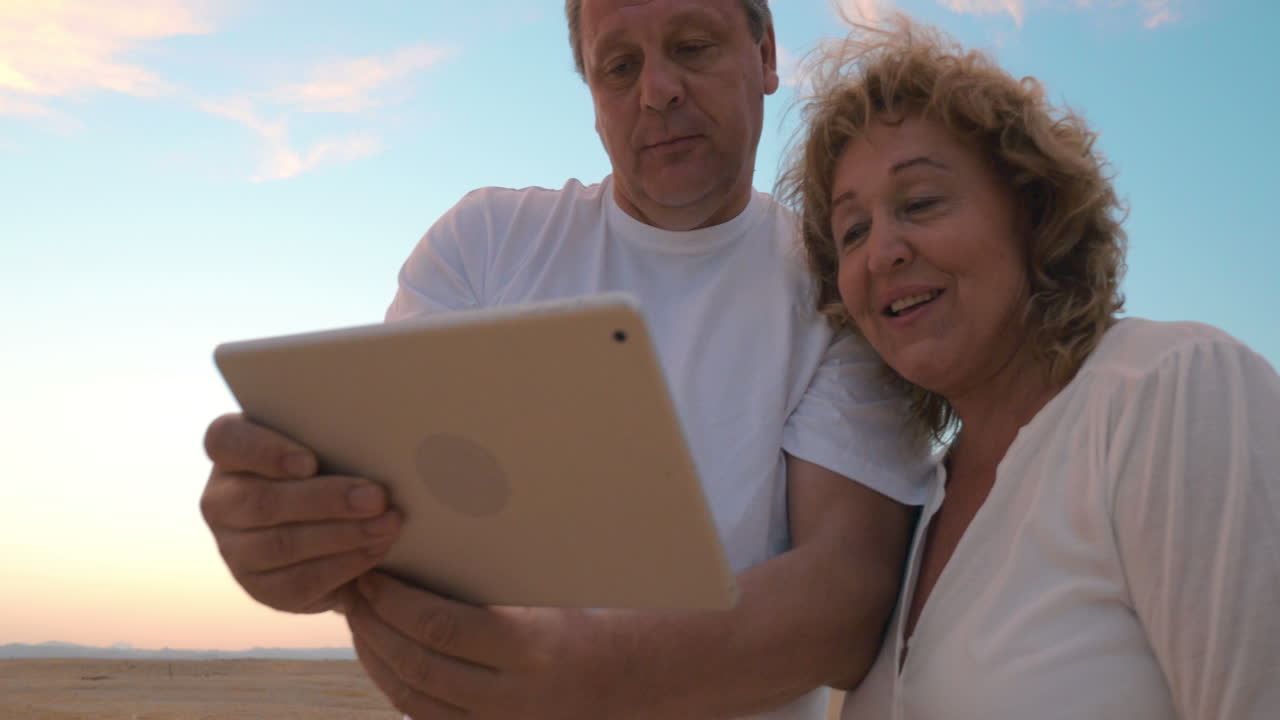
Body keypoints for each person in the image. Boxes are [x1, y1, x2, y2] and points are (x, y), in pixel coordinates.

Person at [200, 2, 935, 718]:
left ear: (768, 54)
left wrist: (601, 678)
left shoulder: (842, 282)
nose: (658, 90)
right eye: (619, 65)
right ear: (590, 92)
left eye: (693, 46)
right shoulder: (484, 244)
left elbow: (847, 596)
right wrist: (293, 540)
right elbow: (402, 513)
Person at [776, 16, 1280, 719]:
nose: (880, 252)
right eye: (852, 231)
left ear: (1032, 208)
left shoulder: (1169, 390)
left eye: (919, 202)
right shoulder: (917, 506)